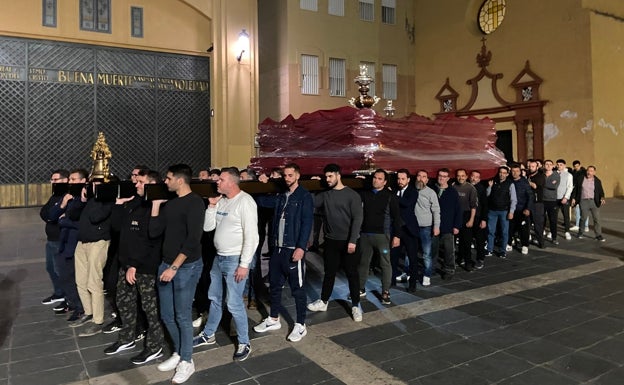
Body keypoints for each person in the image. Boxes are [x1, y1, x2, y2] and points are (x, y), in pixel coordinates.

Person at [194, 167, 259, 361]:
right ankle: (209, 334)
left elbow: (252, 237)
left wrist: (244, 264)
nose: (217, 182)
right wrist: (212, 207)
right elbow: (208, 227)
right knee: (214, 297)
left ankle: (244, 342)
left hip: (235, 259)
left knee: (233, 302)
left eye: (221, 180)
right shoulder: (221, 201)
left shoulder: (245, 202)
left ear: (232, 182)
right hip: (218, 258)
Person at [103, 170, 166, 365]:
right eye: (136, 181)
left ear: (153, 185)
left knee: (150, 309)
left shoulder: (159, 208)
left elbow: (149, 240)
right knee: (124, 302)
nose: (136, 184)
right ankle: (127, 338)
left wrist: (135, 265)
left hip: (144, 268)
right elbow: (117, 227)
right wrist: (119, 205)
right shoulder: (135, 203)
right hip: (127, 265)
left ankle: (154, 346)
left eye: (140, 182)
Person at [150, 164, 204, 384]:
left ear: (180, 180)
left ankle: (187, 361)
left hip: (185, 267)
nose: (166, 181)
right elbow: (154, 232)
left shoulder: (195, 203)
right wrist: (155, 206)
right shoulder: (170, 205)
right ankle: (180, 352)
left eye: (169, 178)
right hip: (165, 264)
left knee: (182, 315)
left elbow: (193, 240)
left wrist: (174, 267)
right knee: (166, 315)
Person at [253, 163, 314, 342]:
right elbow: (261, 202)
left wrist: (301, 247)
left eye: (289, 175)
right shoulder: (281, 195)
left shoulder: (304, 196)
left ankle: (300, 324)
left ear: (297, 175)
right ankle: (273, 318)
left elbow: (306, 223)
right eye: (284, 176)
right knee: (275, 285)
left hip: (292, 249)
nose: (287, 178)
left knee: (297, 288)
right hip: (277, 249)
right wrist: (262, 185)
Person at [307, 164, 364, 322]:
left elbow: (358, 219)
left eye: (330, 176)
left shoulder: (352, 195)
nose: (328, 179)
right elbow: (311, 202)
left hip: (349, 242)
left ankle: (355, 305)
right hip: (331, 241)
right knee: (329, 273)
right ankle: (324, 301)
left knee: (352, 274)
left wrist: (352, 241)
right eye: (326, 177)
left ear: (338, 175)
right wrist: (311, 184)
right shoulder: (326, 195)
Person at [73, 177, 114, 337]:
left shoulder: (107, 201)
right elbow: (73, 215)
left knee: (93, 281)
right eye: (92, 185)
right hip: (82, 242)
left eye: (97, 185)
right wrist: (82, 199)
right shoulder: (90, 199)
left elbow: (95, 217)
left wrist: (97, 197)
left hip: (99, 242)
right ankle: (88, 312)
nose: (93, 188)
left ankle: (98, 320)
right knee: (81, 281)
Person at [48, 169, 88, 322]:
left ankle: (80, 307)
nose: (70, 182)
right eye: (69, 179)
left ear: (83, 181)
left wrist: (63, 220)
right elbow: (52, 215)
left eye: (73, 179)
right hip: (63, 244)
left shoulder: (84, 199)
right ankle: (72, 303)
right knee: (63, 275)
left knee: (72, 277)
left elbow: (79, 222)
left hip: (74, 244)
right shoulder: (68, 196)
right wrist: (63, 204)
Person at [357, 169, 401, 305]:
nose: (376, 180)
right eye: (375, 178)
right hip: (365, 235)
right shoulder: (365, 194)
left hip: (382, 236)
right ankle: (360, 289)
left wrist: (397, 236)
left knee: (385, 264)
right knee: (363, 263)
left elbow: (397, 218)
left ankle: (385, 291)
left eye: (380, 178)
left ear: (385, 181)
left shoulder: (390, 196)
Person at [40, 169, 69, 305]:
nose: (52, 182)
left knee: (61, 270)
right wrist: (52, 217)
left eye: (55, 179)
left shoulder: (68, 196)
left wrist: (53, 216)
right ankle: (58, 293)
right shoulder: (55, 196)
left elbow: (60, 215)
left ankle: (68, 296)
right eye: (52, 179)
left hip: (60, 238)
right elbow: (44, 212)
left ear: (65, 180)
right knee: (50, 268)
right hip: (50, 239)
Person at [390, 169, 419, 288]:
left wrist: (393, 195)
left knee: (413, 258)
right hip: (396, 229)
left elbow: (407, 203)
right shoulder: (394, 190)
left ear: (408, 179)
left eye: (402, 179)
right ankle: (391, 282)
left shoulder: (413, 191)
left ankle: (412, 284)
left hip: (410, 229)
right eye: (398, 179)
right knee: (393, 257)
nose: (400, 181)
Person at [431, 168, 461, 279]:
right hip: (434, 226)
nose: (441, 178)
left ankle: (449, 270)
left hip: (448, 226)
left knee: (449, 251)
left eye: (444, 176)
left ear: (448, 178)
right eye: (440, 175)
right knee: (433, 250)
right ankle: (432, 269)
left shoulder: (452, 192)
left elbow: (458, 210)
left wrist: (456, 226)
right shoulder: (432, 189)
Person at [413, 170, 440, 288]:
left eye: (424, 177)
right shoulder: (411, 190)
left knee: (426, 253)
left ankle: (427, 275)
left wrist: (436, 226)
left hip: (426, 227)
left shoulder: (431, 193)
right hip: (412, 226)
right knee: (410, 252)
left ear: (427, 180)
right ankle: (409, 273)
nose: (421, 179)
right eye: (419, 176)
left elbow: (436, 210)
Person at [486, 166, 517, 258]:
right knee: (491, 231)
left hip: (504, 211)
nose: (501, 174)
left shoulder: (510, 184)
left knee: (504, 232)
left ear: (507, 174)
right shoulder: (493, 182)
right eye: (500, 172)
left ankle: (503, 251)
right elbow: (487, 195)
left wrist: (511, 212)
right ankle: (489, 249)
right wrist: (489, 187)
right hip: (492, 210)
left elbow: (513, 199)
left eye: (504, 173)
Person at [571, 166, 606, 241]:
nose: (588, 172)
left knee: (597, 219)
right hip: (583, 201)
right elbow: (576, 189)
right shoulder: (581, 179)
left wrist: (602, 198)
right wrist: (573, 198)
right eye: (588, 170)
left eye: (591, 171)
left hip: (594, 201)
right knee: (583, 218)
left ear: (594, 172)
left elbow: (601, 191)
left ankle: (598, 235)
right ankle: (580, 232)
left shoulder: (597, 181)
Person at [452, 169, 478, 271]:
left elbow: (473, 207)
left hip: (466, 215)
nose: (460, 178)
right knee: (453, 241)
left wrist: (471, 220)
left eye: (463, 176)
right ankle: (455, 260)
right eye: (459, 176)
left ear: (466, 176)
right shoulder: (453, 186)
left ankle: (468, 263)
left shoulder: (471, 188)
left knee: (466, 241)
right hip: (455, 216)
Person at [507, 164, 533, 256]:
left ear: (520, 172)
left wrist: (527, 208)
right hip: (511, 209)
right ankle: (509, 243)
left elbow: (530, 196)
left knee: (524, 229)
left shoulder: (524, 182)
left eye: (517, 171)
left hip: (522, 209)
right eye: (513, 171)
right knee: (510, 228)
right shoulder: (508, 181)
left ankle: (525, 245)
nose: (515, 173)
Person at [469, 170, 488, 268]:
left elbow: (485, 205)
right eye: (472, 176)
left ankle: (480, 259)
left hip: (478, 217)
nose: (474, 178)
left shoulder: (481, 188)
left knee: (479, 240)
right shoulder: (466, 186)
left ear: (479, 179)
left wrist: (484, 219)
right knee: (466, 240)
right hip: (467, 217)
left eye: (476, 177)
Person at [527, 160, 546, 249]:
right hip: (528, 202)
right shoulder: (528, 175)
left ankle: (541, 241)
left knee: (538, 223)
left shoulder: (540, 176)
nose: (531, 168)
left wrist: (527, 182)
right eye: (530, 166)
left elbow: (535, 186)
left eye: (533, 166)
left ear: (537, 167)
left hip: (537, 203)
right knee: (527, 223)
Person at [542, 160, 560, 245]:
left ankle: (554, 237)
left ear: (553, 166)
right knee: (541, 220)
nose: (548, 166)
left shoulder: (556, 175)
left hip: (552, 201)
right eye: (546, 164)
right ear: (544, 166)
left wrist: (542, 184)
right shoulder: (542, 174)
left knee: (553, 220)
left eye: (550, 164)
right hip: (542, 200)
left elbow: (554, 186)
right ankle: (540, 236)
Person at [556, 159, 574, 240]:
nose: (559, 166)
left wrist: (566, 197)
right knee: (553, 216)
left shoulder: (569, 175)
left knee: (566, 216)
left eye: (561, 165)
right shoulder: (554, 174)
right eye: (558, 165)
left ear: (564, 165)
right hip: (555, 198)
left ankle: (567, 231)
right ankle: (552, 231)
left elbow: (570, 187)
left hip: (564, 198)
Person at [570, 160, 589, 232]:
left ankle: (586, 226)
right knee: (577, 210)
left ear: (580, 165)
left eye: (577, 166)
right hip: (576, 192)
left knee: (584, 210)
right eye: (575, 166)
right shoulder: (573, 172)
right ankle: (577, 224)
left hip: (583, 193)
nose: (576, 167)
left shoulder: (584, 172)